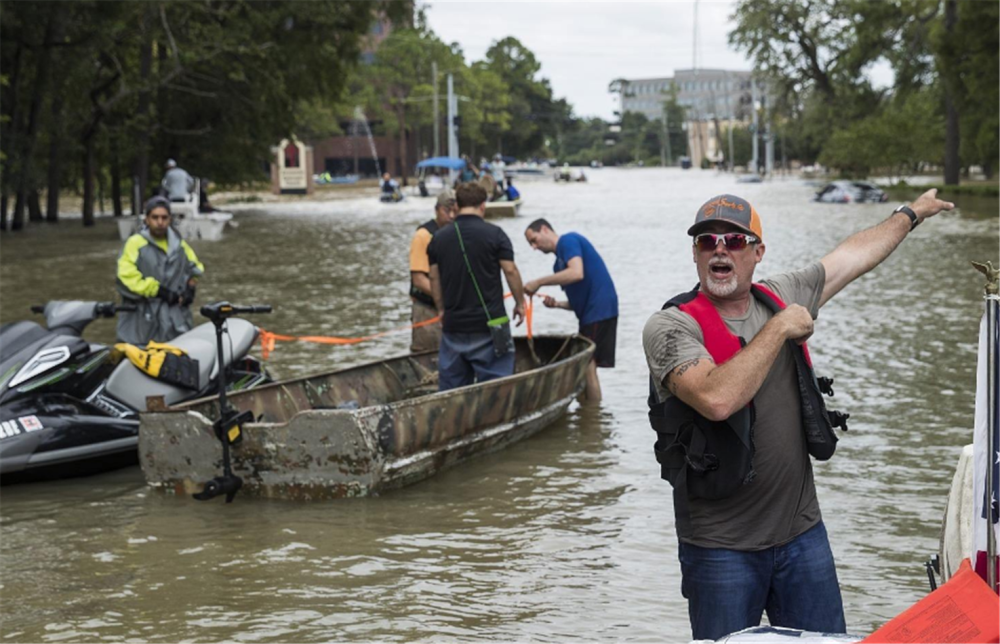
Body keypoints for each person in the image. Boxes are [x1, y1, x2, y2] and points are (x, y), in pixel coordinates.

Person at [641, 191, 955, 641]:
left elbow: (851, 257)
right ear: (695, 254)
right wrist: (781, 328)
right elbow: (716, 398)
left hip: (802, 537)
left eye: (734, 239)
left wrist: (910, 214)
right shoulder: (671, 327)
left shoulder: (781, 295)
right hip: (719, 550)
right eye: (707, 241)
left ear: (757, 252)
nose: (720, 249)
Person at [427, 182, 526, 391]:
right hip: (492, 323)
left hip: (454, 325)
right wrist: (520, 303)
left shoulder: (438, 239)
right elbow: (510, 271)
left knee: (452, 391)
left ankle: (457, 423)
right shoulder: (496, 235)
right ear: (483, 205)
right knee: (496, 390)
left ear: (457, 206)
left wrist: (441, 310)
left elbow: (434, 279)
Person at [523, 219, 618, 401]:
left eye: (534, 240)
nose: (534, 247)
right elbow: (576, 303)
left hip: (600, 310)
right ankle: (589, 414)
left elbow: (576, 272)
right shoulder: (558, 266)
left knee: (587, 366)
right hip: (590, 314)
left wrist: (538, 282)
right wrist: (557, 304)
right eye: (530, 244)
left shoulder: (568, 240)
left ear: (544, 229)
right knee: (585, 366)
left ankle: (593, 419)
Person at [117, 196, 205, 346]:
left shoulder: (179, 245)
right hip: (141, 322)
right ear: (146, 219)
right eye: (155, 217)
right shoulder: (135, 243)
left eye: (164, 217)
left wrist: (190, 288)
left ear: (170, 219)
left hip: (175, 320)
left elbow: (196, 268)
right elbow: (126, 277)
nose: (160, 222)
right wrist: (157, 290)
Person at [408, 189, 458, 352]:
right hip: (427, 309)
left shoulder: (457, 234)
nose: (451, 216)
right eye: (446, 211)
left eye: (455, 211)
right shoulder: (423, 236)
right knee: (427, 354)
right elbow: (419, 279)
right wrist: (446, 296)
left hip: (452, 309)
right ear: (437, 210)